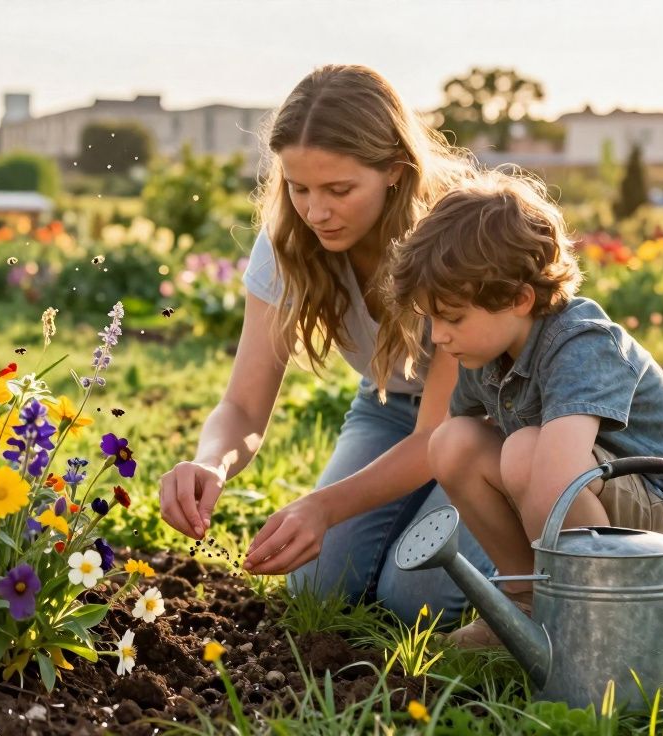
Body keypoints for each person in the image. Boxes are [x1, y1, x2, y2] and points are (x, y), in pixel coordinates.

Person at [158, 64, 494, 625]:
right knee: (318, 585)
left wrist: (324, 505)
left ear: (395, 170)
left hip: (489, 427)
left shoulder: (453, 230)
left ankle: (557, 530)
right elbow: (243, 404)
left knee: (416, 599)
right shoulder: (290, 238)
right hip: (391, 408)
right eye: (299, 187)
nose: (315, 211)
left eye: (339, 190)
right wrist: (211, 462)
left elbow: (437, 436)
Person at [383, 170, 663, 647]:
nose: (438, 336)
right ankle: (525, 606)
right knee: (452, 443)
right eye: (431, 319)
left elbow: (558, 480)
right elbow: (460, 448)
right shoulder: (484, 354)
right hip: (585, 494)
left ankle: (600, 627)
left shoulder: (580, 342)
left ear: (520, 299)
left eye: (452, 317)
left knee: (526, 451)